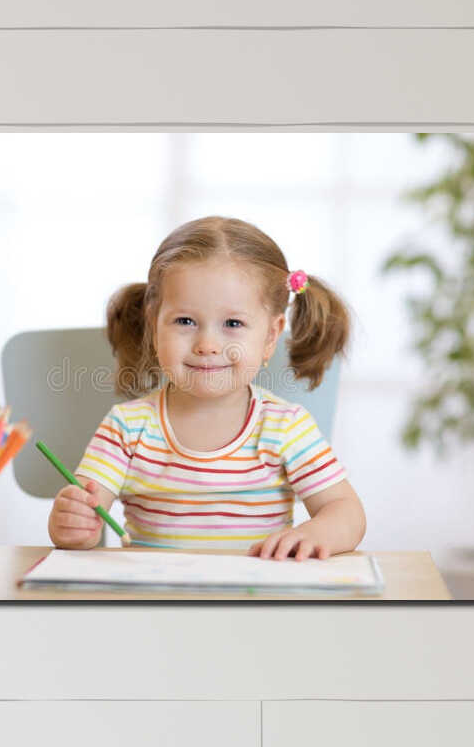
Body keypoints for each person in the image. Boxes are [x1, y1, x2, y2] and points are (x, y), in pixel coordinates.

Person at [47, 216, 366, 558]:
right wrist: (72, 525)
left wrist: (317, 532)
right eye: (185, 321)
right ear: (154, 325)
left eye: (233, 323)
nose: (207, 345)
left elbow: (347, 512)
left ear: (271, 336)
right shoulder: (126, 427)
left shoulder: (285, 427)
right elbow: (84, 518)